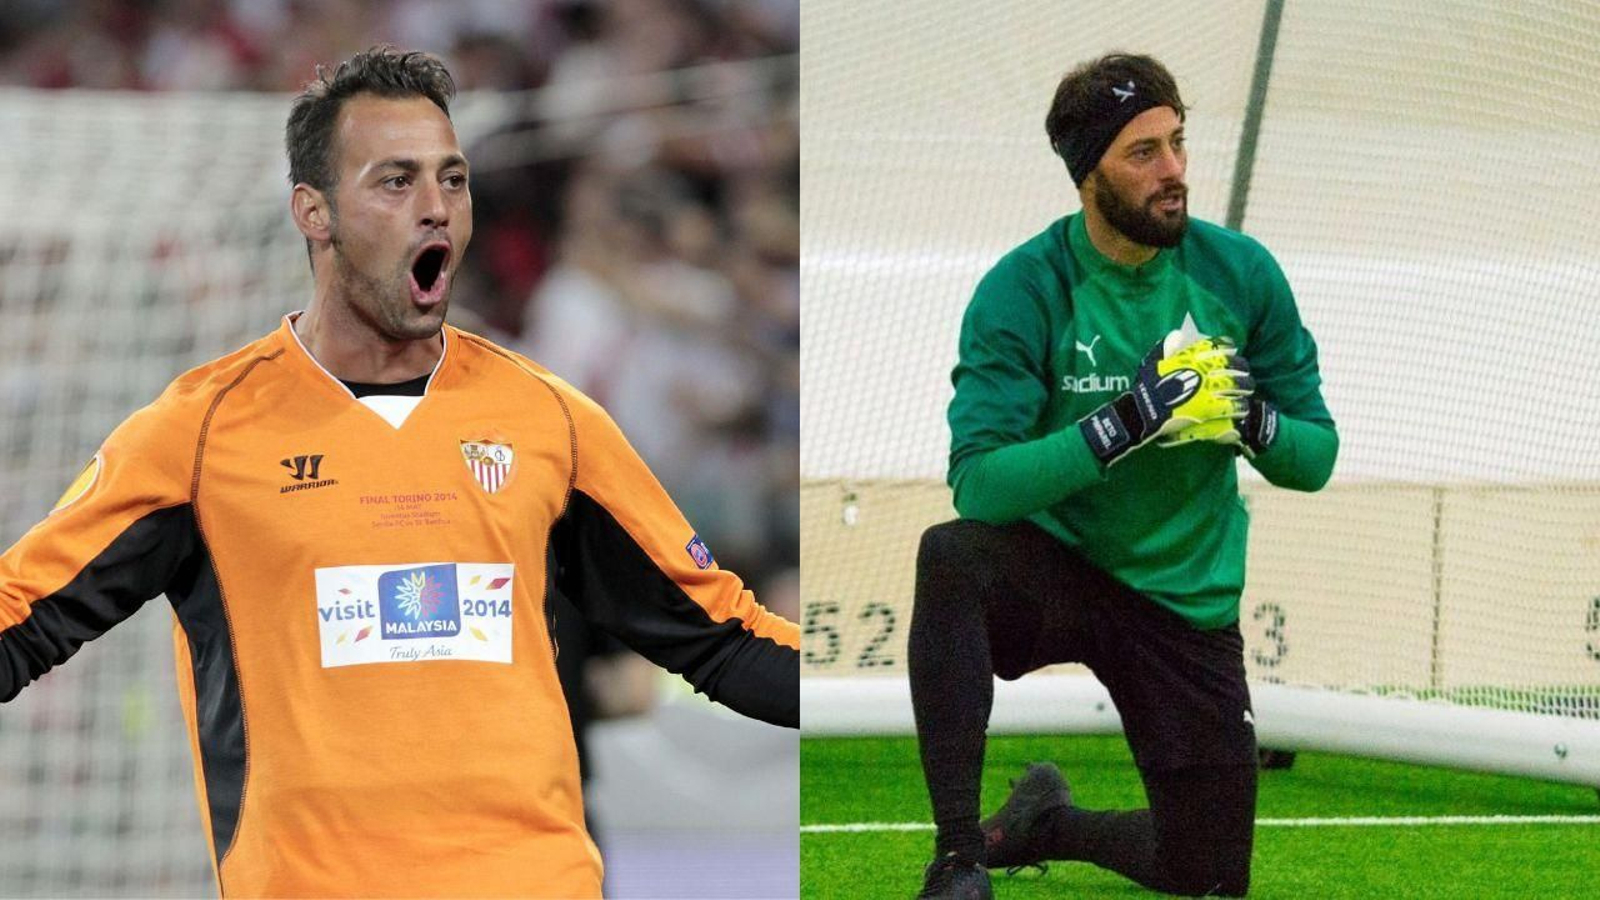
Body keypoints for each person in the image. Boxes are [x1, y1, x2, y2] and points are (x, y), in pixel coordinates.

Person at [0, 46, 798, 899]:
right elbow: (23, 619)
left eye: (452, 181)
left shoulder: (550, 420)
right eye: (395, 182)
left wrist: (912, 677)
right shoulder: (199, 432)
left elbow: (722, 637)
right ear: (314, 212)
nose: (436, 210)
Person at [909, 53, 1337, 899]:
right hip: (1056, 569)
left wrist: (1252, 421)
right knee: (951, 555)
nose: (1174, 172)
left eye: (1178, 143)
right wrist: (1126, 423)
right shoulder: (1025, 287)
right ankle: (958, 857)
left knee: (1208, 874)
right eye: (1143, 153)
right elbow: (979, 485)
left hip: (1182, 598)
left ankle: (1045, 824)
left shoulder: (1240, 274)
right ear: (1088, 173)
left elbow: (1316, 458)